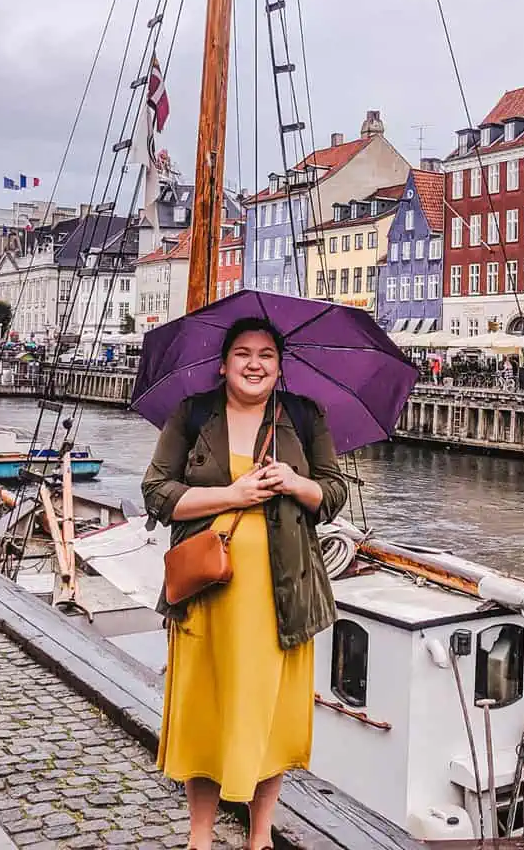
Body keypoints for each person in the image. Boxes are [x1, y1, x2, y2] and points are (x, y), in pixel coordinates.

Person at [141, 317, 348, 850]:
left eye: (266, 356)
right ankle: (200, 837)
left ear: (279, 367)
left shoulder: (303, 416)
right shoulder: (193, 415)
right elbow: (158, 494)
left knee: (267, 716)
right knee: (208, 714)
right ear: (223, 362)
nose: (254, 364)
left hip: (282, 597)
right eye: (242, 354)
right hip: (208, 594)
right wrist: (234, 495)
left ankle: (260, 837)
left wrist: (298, 484)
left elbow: (332, 494)